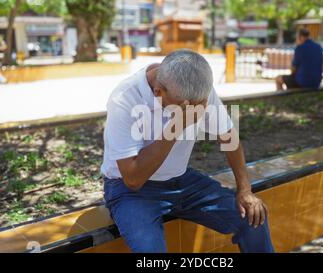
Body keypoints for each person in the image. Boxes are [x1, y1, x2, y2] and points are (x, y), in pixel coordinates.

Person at [101, 50, 274, 253]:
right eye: (182, 108)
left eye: (195, 107)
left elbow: (229, 137)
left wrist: (245, 190)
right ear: (158, 92)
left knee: (253, 218)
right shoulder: (125, 99)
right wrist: (176, 126)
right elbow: (132, 178)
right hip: (131, 192)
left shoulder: (196, 90)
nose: (191, 110)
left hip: (181, 181)